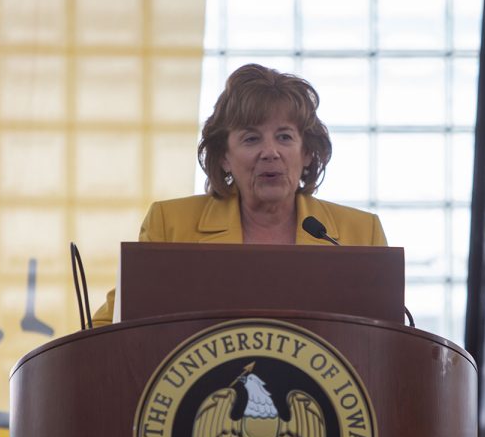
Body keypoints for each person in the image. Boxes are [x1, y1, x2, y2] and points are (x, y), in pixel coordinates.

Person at [92, 63, 387, 326]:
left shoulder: (359, 234)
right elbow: (108, 329)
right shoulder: (170, 225)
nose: (270, 152)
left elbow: (390, 343)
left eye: (284, 137)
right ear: (224, 157)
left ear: (307, 152)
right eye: (251, 138)